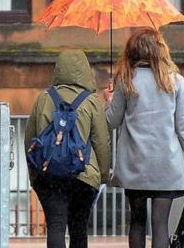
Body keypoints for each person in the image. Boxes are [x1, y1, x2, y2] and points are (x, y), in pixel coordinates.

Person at [104, 27, 184, 248]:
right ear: (159, 50)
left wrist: (109, 100)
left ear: (132, 51)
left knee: (137, 222)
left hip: (134, 164)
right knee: (161, 225)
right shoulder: (175, 81)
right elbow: (183, 125)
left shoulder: (125, 80)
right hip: (165, 164)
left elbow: (110, 121)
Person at [24, 49, 111, 248]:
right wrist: (102, 175)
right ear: (85, 71)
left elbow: (29, 140)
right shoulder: (92, 101)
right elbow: (102, 143)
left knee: (55, 226)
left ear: (59, 70)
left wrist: (34, 175)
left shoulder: (43, 98)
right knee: (78, 228)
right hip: (84, 176)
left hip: (50, 175)